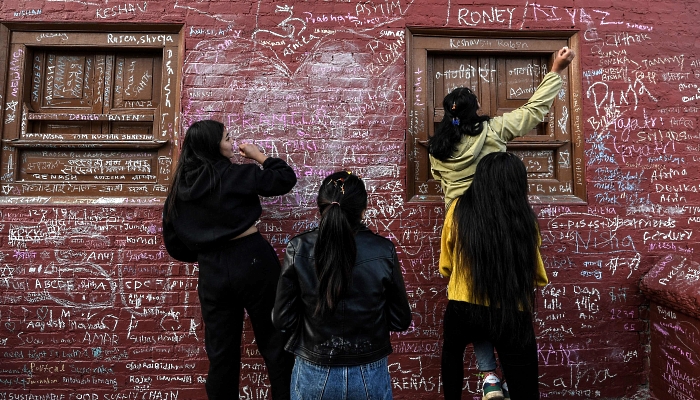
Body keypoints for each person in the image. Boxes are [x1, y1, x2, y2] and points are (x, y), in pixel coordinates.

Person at [429, 47, 575, 400]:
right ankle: (499, 378)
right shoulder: (494, 131)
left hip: (462, 226)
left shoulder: (438, 152)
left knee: (471, 296)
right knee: (499, 296)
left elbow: (446, 267)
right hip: (502, 223)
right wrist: (554, 70)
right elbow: (534, 111)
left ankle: (488, 375)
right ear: (476, 111)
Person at [162, 119, 297, 400]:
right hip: (251, 259)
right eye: (226, 138)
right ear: (213, 145)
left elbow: (174, 244)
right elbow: (284, 178)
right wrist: (261, 156)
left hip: (212, 270)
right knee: (275, 343)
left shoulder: (180, 188)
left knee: (221, 352)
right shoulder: (236, 174)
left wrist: (207, 251)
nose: (231, 144)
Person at [272, 171, 412, 400]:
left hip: (314, 369)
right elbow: (400, 320)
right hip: (370, 370)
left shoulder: (299, 248)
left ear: (320, 207)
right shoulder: (383, 250)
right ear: (363, 209)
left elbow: (282, 319)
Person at [439, 152, 549, 400]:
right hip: (511, 310)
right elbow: (537, 276)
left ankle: (485, 383)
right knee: (525, 384)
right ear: (518, 183)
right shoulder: (524, 218)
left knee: (452, 354)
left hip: (464, 307)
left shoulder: (458, 209)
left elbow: (446, 265)